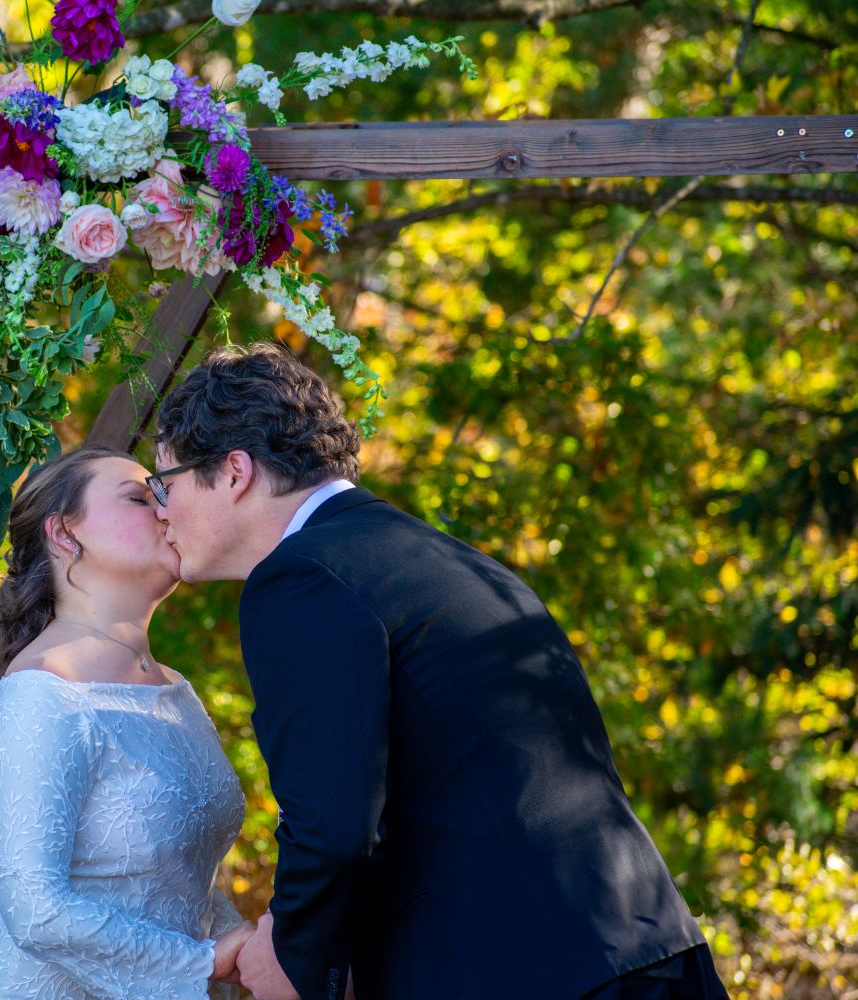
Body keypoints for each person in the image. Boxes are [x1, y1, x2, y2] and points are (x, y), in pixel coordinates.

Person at [148, 343, 727, 1000]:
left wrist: (294, 958)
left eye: (166, 482)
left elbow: (334, 824)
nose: (161, 509)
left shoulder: (301, 579)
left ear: (233, 472)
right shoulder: (439, 558)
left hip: (526, 972)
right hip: (646, 945)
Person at [0, 445, 256, 999]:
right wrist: (202, 961)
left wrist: (245, 947)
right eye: (141, 497)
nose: (167, 510)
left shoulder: (174, 689)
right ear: (65, 534)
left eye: (164, 495)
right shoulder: (42, 693)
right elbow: (35, 910)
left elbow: (175, 877)